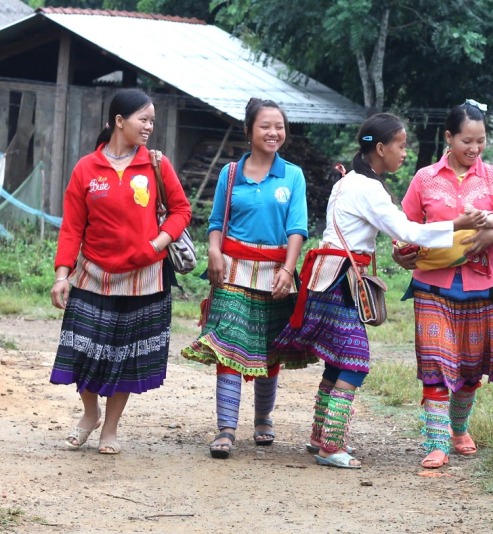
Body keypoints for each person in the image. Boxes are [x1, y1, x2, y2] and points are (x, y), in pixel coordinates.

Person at [271, 112, 486, 469]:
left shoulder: (348, 181)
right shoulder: (368, 188)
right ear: (381, 148)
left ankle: (320, 436)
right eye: (401, 145)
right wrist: (457, 224)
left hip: (325, 278)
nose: (405, 152)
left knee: (337, 361)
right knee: (354, 363)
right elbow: (407, 230)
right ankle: (330, 445)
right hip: (341, 281)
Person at [393, 100, 493, 469]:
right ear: (448, 138)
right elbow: (404, 227)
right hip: (431, 285)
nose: (474, 149)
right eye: (466, 142)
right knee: (435, 362)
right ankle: (437, 442)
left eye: (480, 142)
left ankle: (459, 429)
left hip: (482, 287)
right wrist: (399, 253)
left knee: (471, 369)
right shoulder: (424, 178)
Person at [50, 88, 191, 455]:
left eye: (152, 121)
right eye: (143, 119)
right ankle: (90, 413)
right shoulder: (86, 168)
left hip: (143, 279)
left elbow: (181, 211)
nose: (149, 127)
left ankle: (110, 428)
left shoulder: (156, 164)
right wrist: (62, 274)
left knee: (124, 357)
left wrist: (157, 244)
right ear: (119, 121)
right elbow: (71, 228)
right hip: (92, 274)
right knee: (81, 350)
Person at [181, 98, 308, 459]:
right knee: (229, 344)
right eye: (265, 126)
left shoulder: (293, 175)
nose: (273, 133)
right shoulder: (230, 173)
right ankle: (225, 429)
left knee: (270, 348)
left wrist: (287, 269)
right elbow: (216, 222)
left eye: (279, 126)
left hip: (275, 273)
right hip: (233, 270)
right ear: (249, 131)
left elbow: (297, 227)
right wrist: (214, 251)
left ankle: (263, 418)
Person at [398, 195, 493, 273]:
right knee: (442, 255)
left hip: (461, 243)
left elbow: (488, 221)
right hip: (463, 253)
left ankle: (417, 251)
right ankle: (422, 258)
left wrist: (473, 212)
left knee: (439, 247)